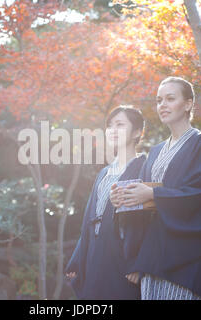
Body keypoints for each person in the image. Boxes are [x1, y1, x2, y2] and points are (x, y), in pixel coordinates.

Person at [110, 76, 201, 300]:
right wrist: (123, 198)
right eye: (158, 100)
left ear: (188, 104)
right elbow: (144, 204)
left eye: (170, 99)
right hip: (153, 259)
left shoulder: (199, 143)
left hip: (185, 259)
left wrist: (153, 194)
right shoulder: (155, 152)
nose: (162, 105)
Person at [65, 105, 147, 299]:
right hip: (96, 248)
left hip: (123, 254)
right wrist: (78, 257)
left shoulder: (145, 168)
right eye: (110, 126)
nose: (112, 130)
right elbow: (89, 219)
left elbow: (152, 222)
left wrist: (140, 262)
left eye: (120, 124)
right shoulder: (104, 172)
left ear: (137, 132)